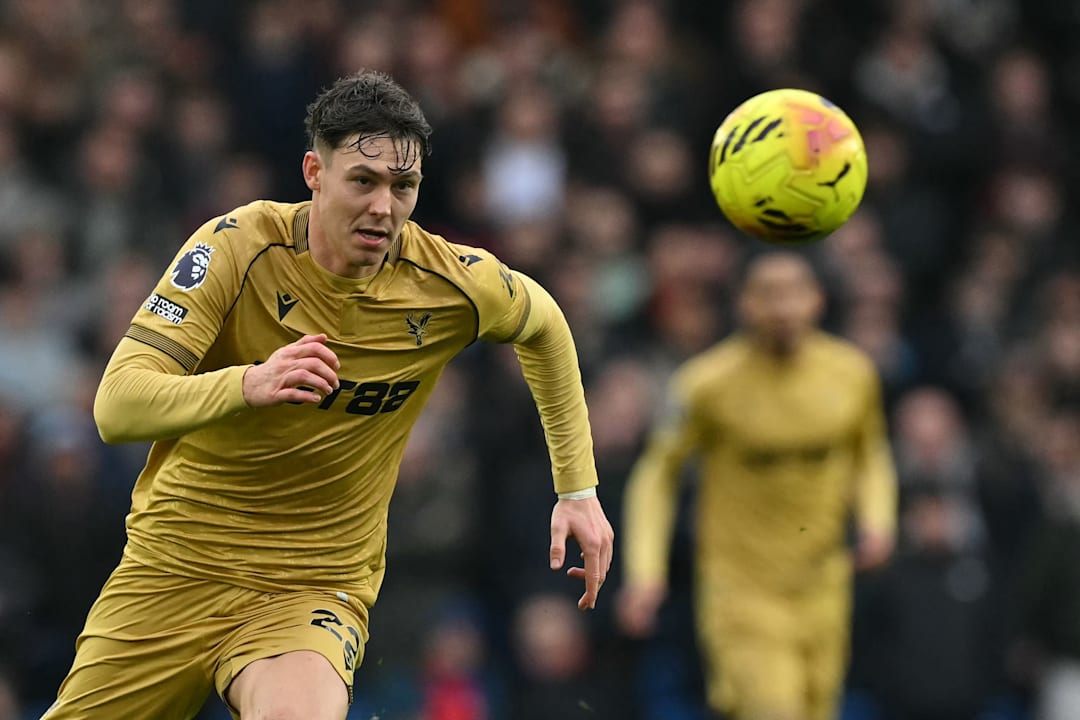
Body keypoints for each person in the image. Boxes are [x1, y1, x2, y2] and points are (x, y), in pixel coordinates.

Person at [42, 70, 614, 720]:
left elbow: (545, 325)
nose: (384, 207)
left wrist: (577, 487)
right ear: (314, 172)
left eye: (404, 186)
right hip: (176, 565)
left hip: (311, 586)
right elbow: (117, 406)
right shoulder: (237, 247)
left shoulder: (450, 282)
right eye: (363, 181)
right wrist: (247, 383)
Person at [616, 252, 897, 720]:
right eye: (767, 293)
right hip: (741, 591)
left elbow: (870, 453)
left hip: (823, 585)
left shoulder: (853, 375)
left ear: (818, 299)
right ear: (743, 303)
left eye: (794, 292)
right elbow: (657, 475)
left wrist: (878, 521)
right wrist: (645, 571)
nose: (782, 307)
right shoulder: (705, 385)